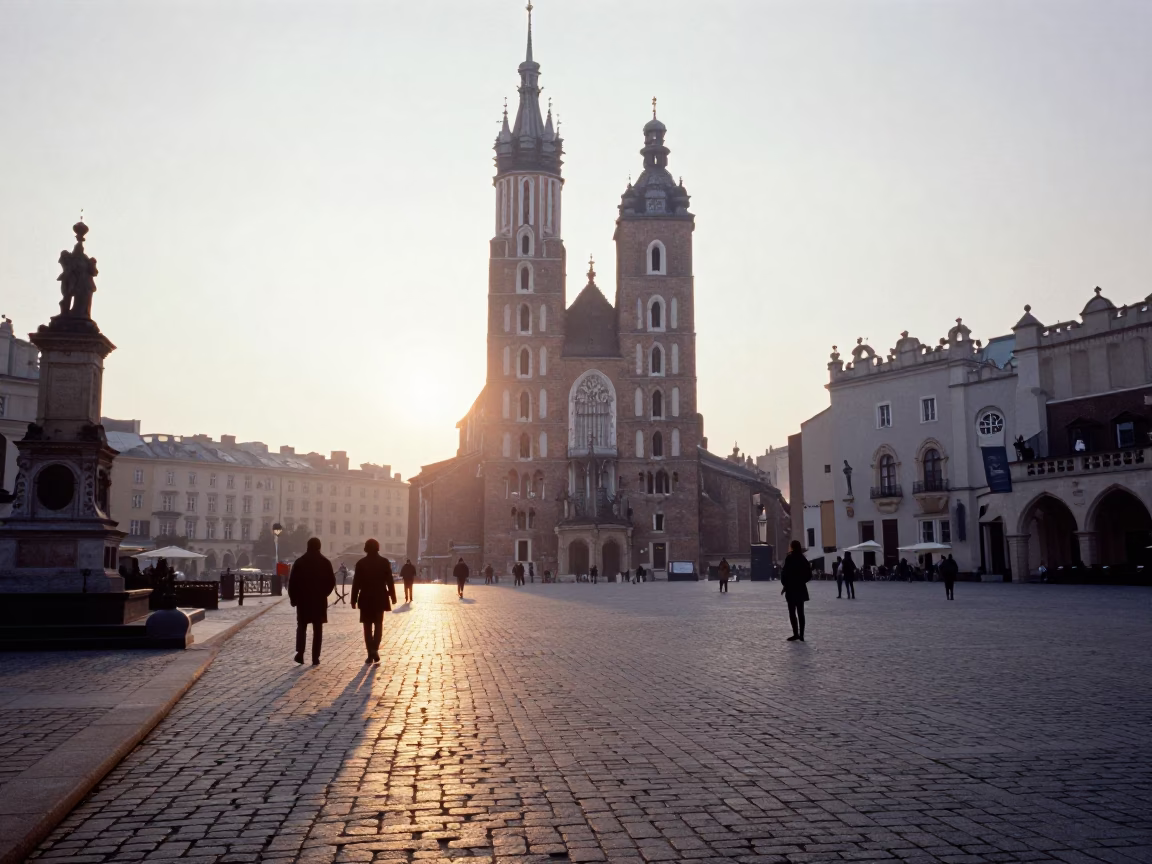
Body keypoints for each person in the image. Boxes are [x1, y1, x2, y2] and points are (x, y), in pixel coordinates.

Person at [288, 537, 336, 665]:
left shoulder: (299, 562)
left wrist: (293, 598)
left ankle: (300, 653)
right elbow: (331, 582)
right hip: (319, 600)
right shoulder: (325, 562)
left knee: (302, 626)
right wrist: (324, 593)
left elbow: (292, 583)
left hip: (303, 599)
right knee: (318, 628)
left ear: (307, 546)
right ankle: (315, 657)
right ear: (319, 547)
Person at [351, 539, 396, 664]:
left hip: (365, 597)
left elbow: (356, 583)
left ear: (366, 548)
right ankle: (375, 648)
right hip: (380, 597)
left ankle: (370, 652)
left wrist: (353, 599)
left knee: (367, 626)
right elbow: (389, 581)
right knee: (378, 624)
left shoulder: (361, 563)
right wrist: (393, 596)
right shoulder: (384, 562)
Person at [780, 540, 812, 641]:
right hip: (800, 588)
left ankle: (795, 633)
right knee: (800, 612)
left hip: (791, 589)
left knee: (792, 612)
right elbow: (809, 573)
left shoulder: (789, 558)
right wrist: (802, 581)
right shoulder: (803, 559)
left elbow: (784, 573)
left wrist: (785, 584)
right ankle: (801, 634)